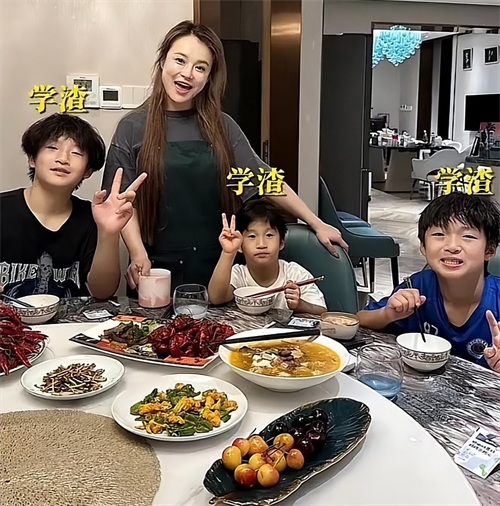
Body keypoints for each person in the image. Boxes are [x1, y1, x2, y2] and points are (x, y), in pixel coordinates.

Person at [102, 20, 347, 293]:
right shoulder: (132, 127)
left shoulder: (223, 126)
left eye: (200, 68)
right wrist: (137, 253)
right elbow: (124, 203)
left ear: (209, 77)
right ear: (162, 62)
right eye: (180, 60)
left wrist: (316, 222)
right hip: (156, 268)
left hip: (220, 266)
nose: (187, 74)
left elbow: (264, 180)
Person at [0, 113, 146, 299]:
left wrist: (108, 232)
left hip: (71, 317)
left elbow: (103, 292)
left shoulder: (91, 217)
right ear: (32, 159)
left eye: (76, 153)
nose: (63, 158)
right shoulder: (4, 209)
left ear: (87, 171)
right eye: (52, 147)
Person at [357, 192, 500, 372]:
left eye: (468, 236)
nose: (452, 246)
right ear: (423, 247)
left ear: (489, 251)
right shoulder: (418, 287)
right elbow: (359, 319)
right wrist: (388, 314)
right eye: (439, 234)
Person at [208, 200, 327, 314]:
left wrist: (299, 305)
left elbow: (321, 310)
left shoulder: (295, 273)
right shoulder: (238, 274)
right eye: (252, 236)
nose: (261, 244)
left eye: (269, 235)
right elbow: (216, 298)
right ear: (240, 245)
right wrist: (228, 253)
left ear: (281, 242)